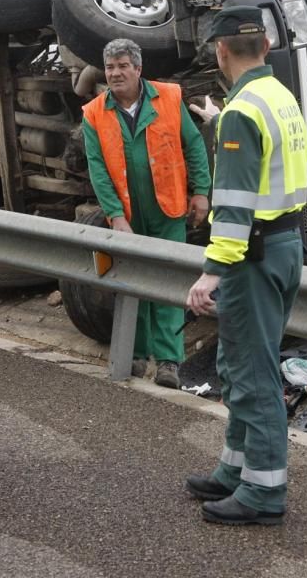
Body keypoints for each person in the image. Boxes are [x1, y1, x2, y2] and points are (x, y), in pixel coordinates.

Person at [185, 6, 307, 526]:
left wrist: (212, 270)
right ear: (264, 47)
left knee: (251, 374)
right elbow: (269, 164)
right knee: (240, 365)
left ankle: (262, 492)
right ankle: (234, 470)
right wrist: (220, 121)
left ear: (220, 51)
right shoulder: (276, 97)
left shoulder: (243, 111)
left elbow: (233, 204)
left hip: (250, 256)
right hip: (284, 247)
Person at [81, 39, 211, 389]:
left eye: (123, 65)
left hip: (167, 207)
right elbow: (98, 169)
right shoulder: (94, 112)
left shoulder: (168, 98)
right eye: (110, 67)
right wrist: (115, 216)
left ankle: (169, 361)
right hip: (126, 213)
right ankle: (136, 355)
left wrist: (201, 192)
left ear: (138, 69)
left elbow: (194, 144)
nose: (115, 73)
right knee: (131, 281)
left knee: (168, 281)